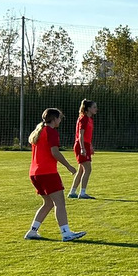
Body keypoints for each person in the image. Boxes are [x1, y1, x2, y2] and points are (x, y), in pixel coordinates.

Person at [23, 108, 87, 241]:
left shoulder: (38, 132)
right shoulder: (51, 132)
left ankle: (32, 231)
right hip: (47, 173)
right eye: (59, 118)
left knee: (48, 203)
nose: (60, 120)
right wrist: (68, 166)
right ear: (54, 119)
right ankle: (66, 233)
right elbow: (55, 152)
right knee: (60, 203)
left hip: (35, 173)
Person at [68, 99, 97, 199]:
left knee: (81, 169)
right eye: (94, 107)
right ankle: (82, 193)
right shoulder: (83, 119)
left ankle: (72, 192)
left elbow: (88, 135)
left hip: (86, 145)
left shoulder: (90, 119)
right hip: (81, 145)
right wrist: (82, 148)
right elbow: (80, 134)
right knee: (88, 169)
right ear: (88, 109)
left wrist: (90, 146)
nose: (96, 109)